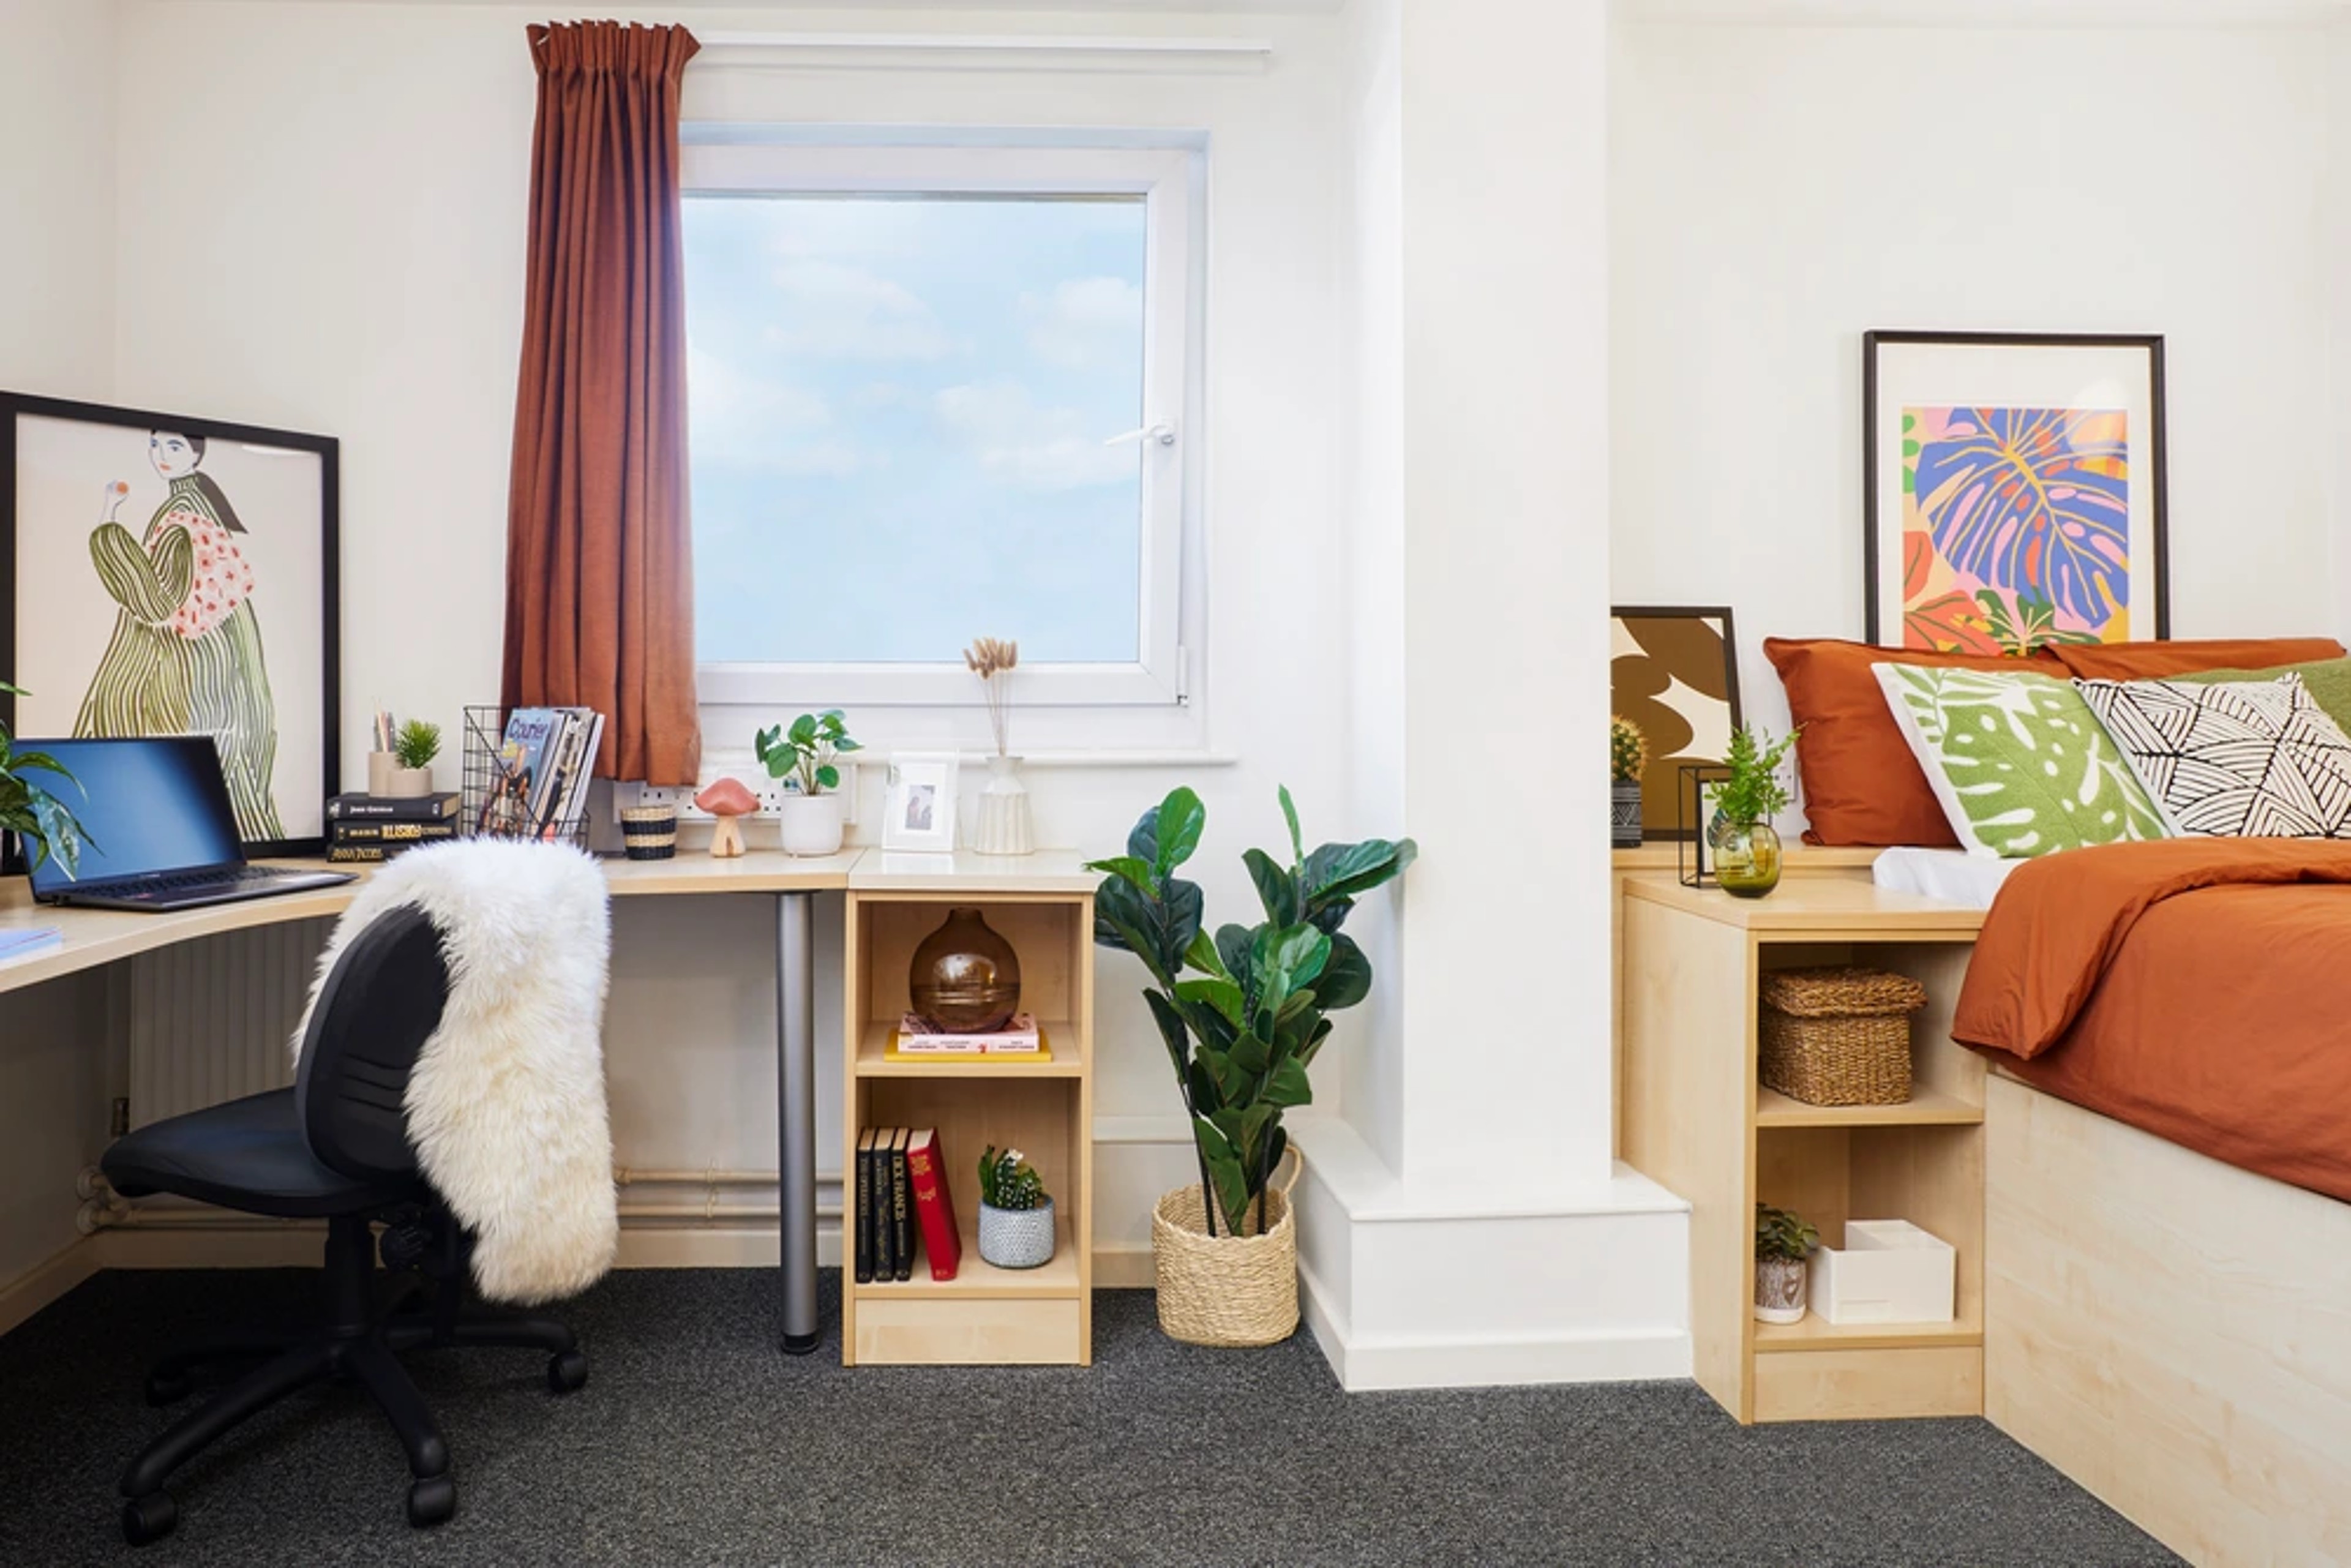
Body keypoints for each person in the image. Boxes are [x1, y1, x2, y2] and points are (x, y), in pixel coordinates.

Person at [76, 430, 284, 841]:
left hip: (190, 671)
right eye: (155, 445)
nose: (161, 456)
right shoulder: (197, 506)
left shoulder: (183, 514)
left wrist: (108, 518)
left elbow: (156, 602)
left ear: (196, 455)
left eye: (174, 447)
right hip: (217, 666)